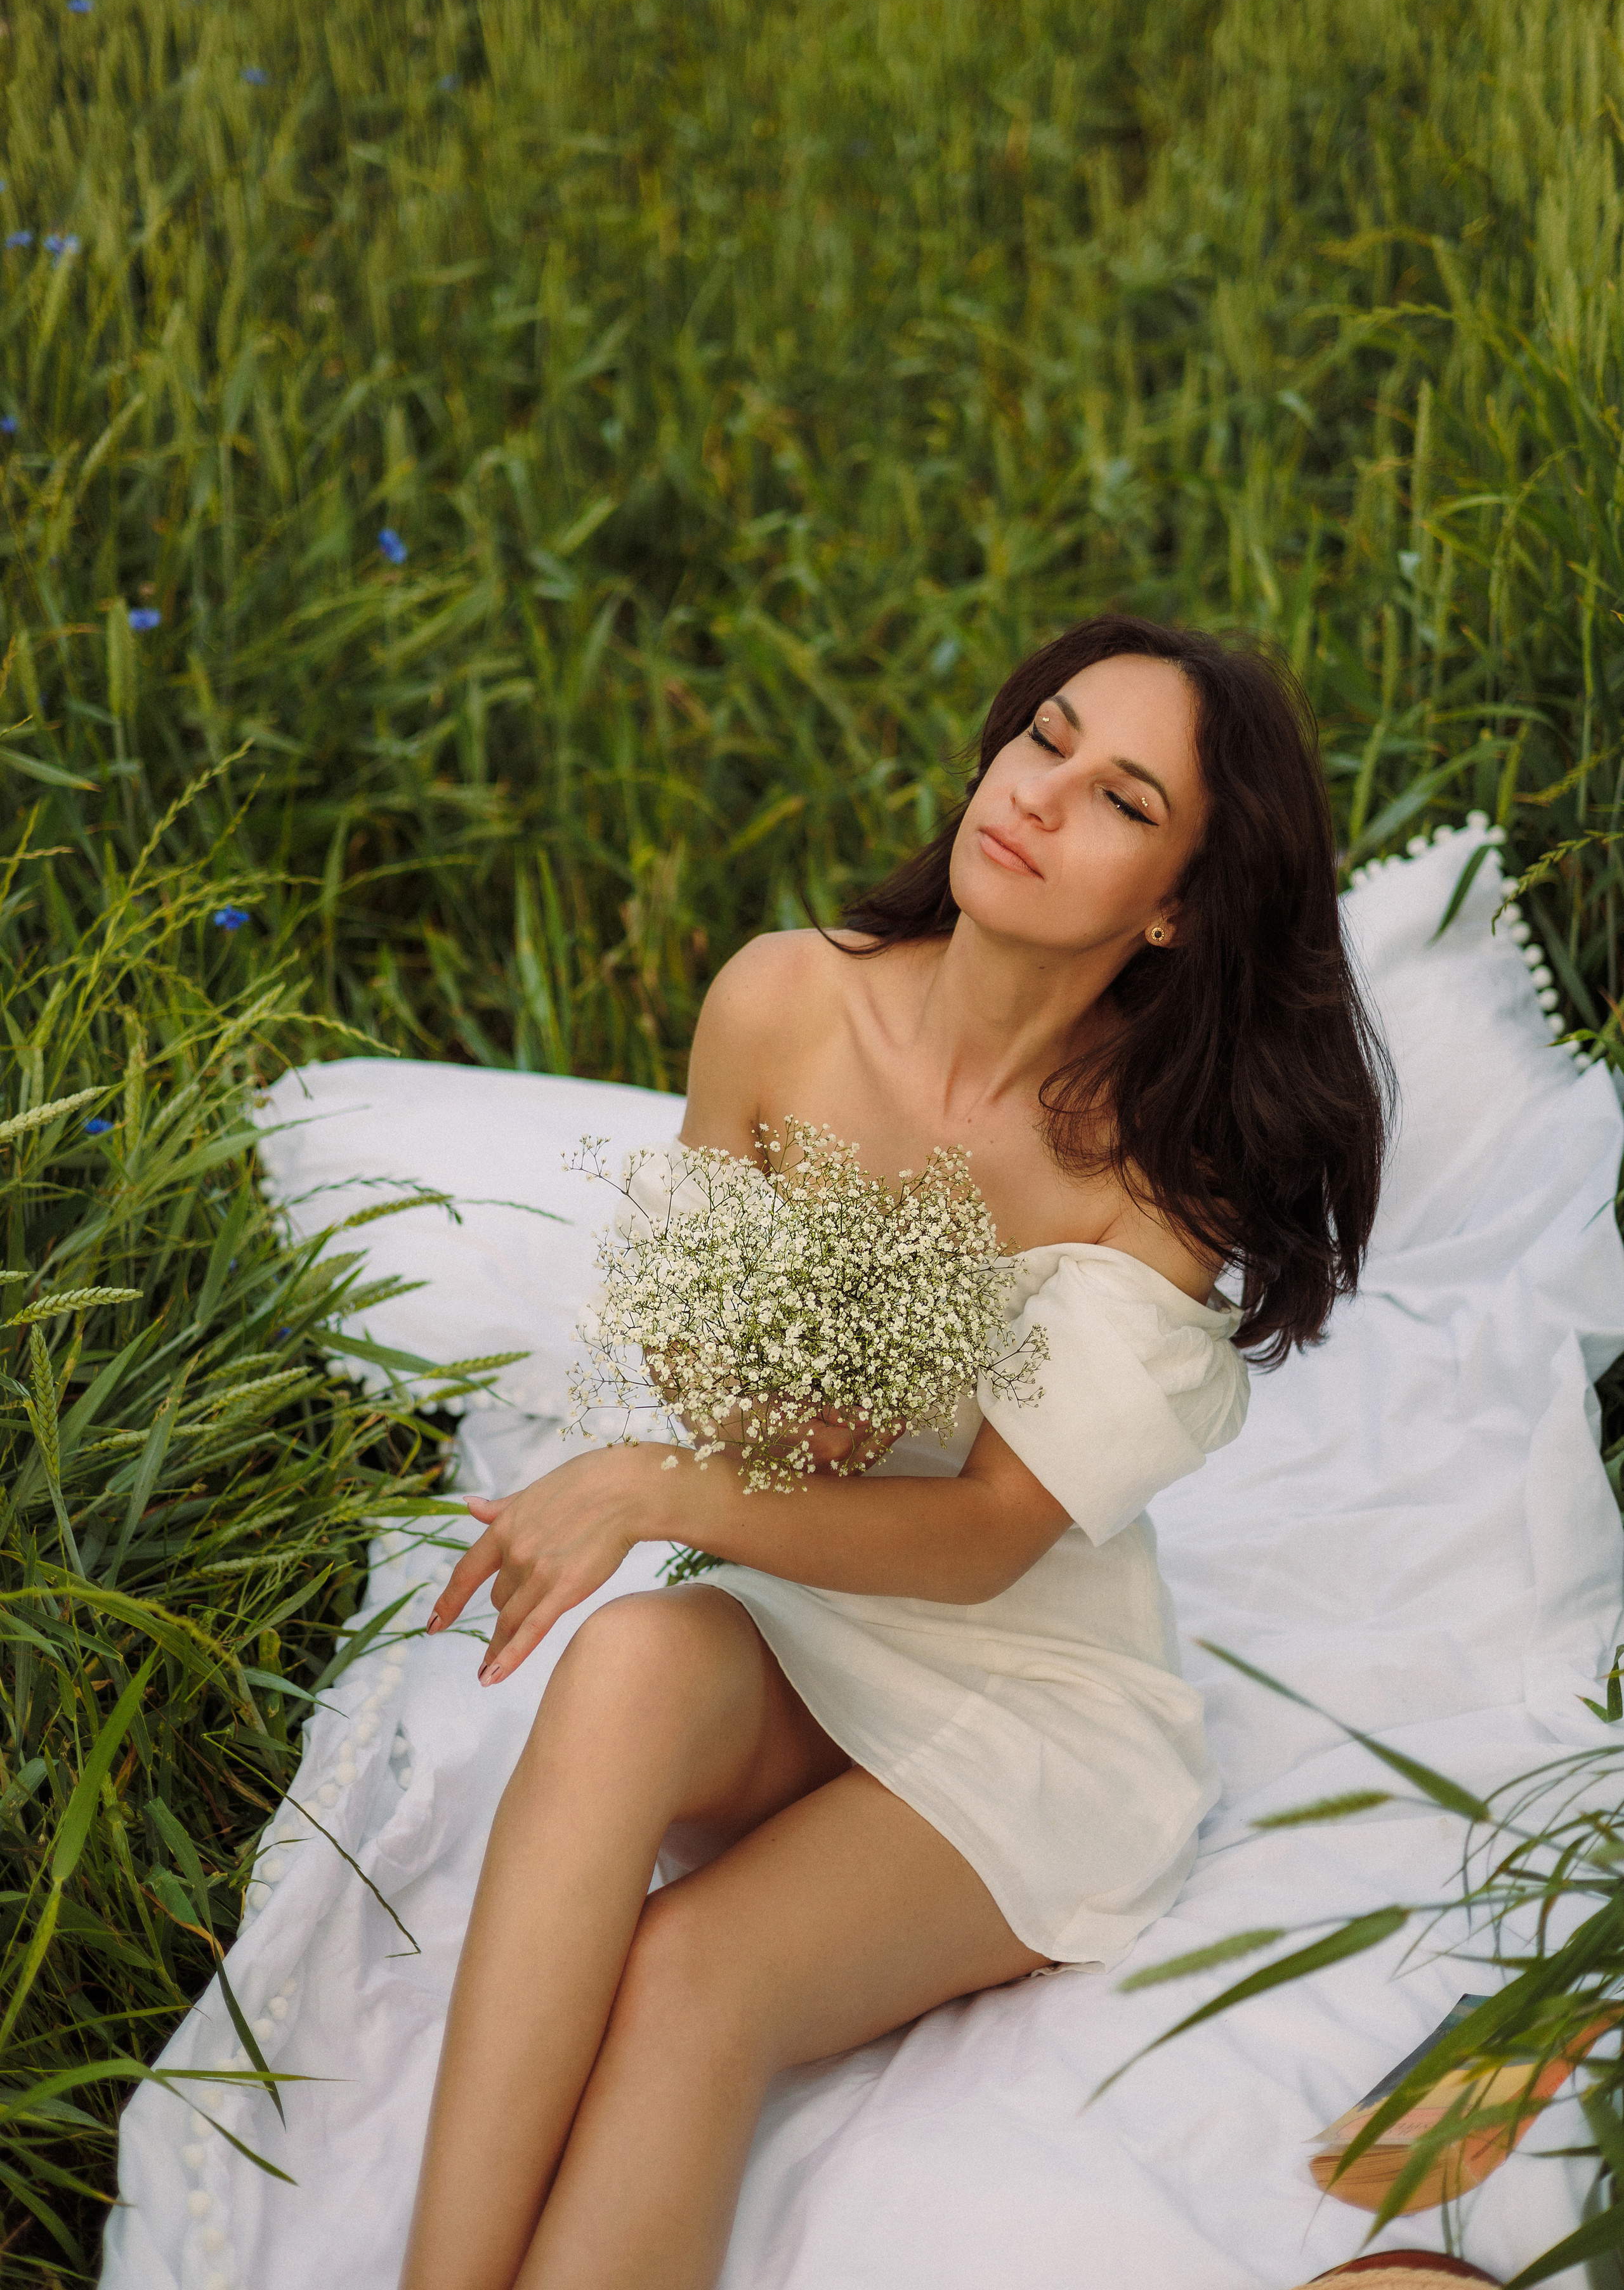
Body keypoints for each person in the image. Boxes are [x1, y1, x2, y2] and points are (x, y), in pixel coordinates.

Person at [398, 614, 1390, 2290]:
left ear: (1178, 907)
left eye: (1124, 797)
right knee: (628, 1659)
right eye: (1046, 737)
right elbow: (688, 1336)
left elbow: (996, 1534)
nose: (1041, 792)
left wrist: (651, 1484)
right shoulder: (787, 999)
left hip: (1027, 1711)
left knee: (694, 1975)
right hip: (802, 1616)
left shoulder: (1151, 1180)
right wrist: (755, 1406)